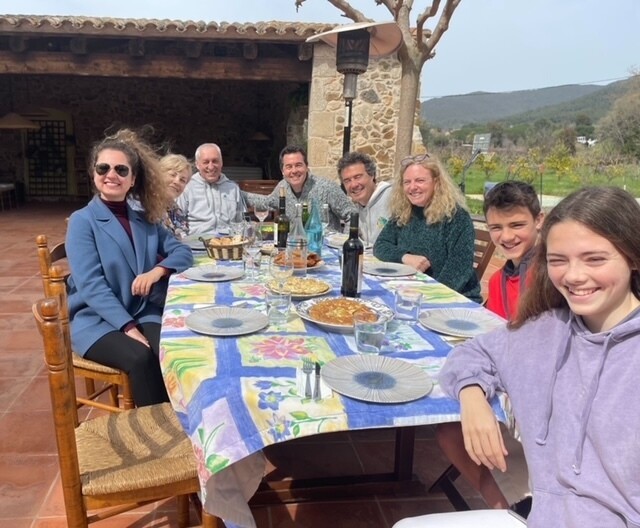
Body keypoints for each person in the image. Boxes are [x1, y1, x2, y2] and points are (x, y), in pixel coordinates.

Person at [439, 186, 640, 527]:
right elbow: (471, 354)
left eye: (595, 258)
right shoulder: (546, 331)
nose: (574, 276)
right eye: (558, 260)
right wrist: (472, 395)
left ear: (632, 256)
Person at [66, 128, 193, 407]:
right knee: (141, 357)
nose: (111, 174)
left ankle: (178, 418)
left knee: (170, 351)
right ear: (94, 173)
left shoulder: (144, 220)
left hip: (139, 307)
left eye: (121, 169)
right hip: (96, 318)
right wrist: (127, 326)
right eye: (104, 167)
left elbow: (183, 252)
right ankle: (155, 428)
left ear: (133, 179)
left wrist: (157, 271)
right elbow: (91, 285)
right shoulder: (82, 221)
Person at [435, 181, 543, 510]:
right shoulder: (499, 280)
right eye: (496, 227)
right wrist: (473, 389)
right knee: (449, 432)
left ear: (539, 220)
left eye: (517, 225)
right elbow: (492, 340)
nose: (506, 236)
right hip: (509, 380)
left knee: (454, 429)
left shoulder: (551, 275)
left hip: (535, 400)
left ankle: (517, 506)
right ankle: (507, 507)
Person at [373, 153, 481, 303]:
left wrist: (424, 297)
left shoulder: (455, 217)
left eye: (420, 180)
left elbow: (458, 270)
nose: (412, 187)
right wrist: (405, 257)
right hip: (411, 290)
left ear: (436, 183)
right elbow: (380, 246)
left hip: (451, 297)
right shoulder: (404, 212)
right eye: (407, 182)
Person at [242, 145, 356, 232]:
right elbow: (266, 203)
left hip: (326, 252)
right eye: (289, 167)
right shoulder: (283, 187)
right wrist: (236, 193)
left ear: (306, 167)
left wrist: (345, 243)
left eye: (298, 165)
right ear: (283, 171)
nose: (294, 171)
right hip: (295, 250)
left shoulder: (327, 187)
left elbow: (352, 214)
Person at [176, 143, 244, 235]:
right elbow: (178, 222)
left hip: (228, 243)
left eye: (215, 161)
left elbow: (242, 221)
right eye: (206, 162)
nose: (211, 167)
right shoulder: (187, 187)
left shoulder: (233, 188)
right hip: (197, 243)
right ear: (197, 164)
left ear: (221, 163)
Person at [338, 151, 391, 247]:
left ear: (372, 175)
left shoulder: (391, 198)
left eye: (358, 177)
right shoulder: (356, 208)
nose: (353, 185)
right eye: (347, 181)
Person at [159, 153, 192, 239]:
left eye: (182, 180)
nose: (177, 181)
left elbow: (183, 238)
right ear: (158, 174)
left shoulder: (175, 209)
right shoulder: (145, 204)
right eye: (172, 175)